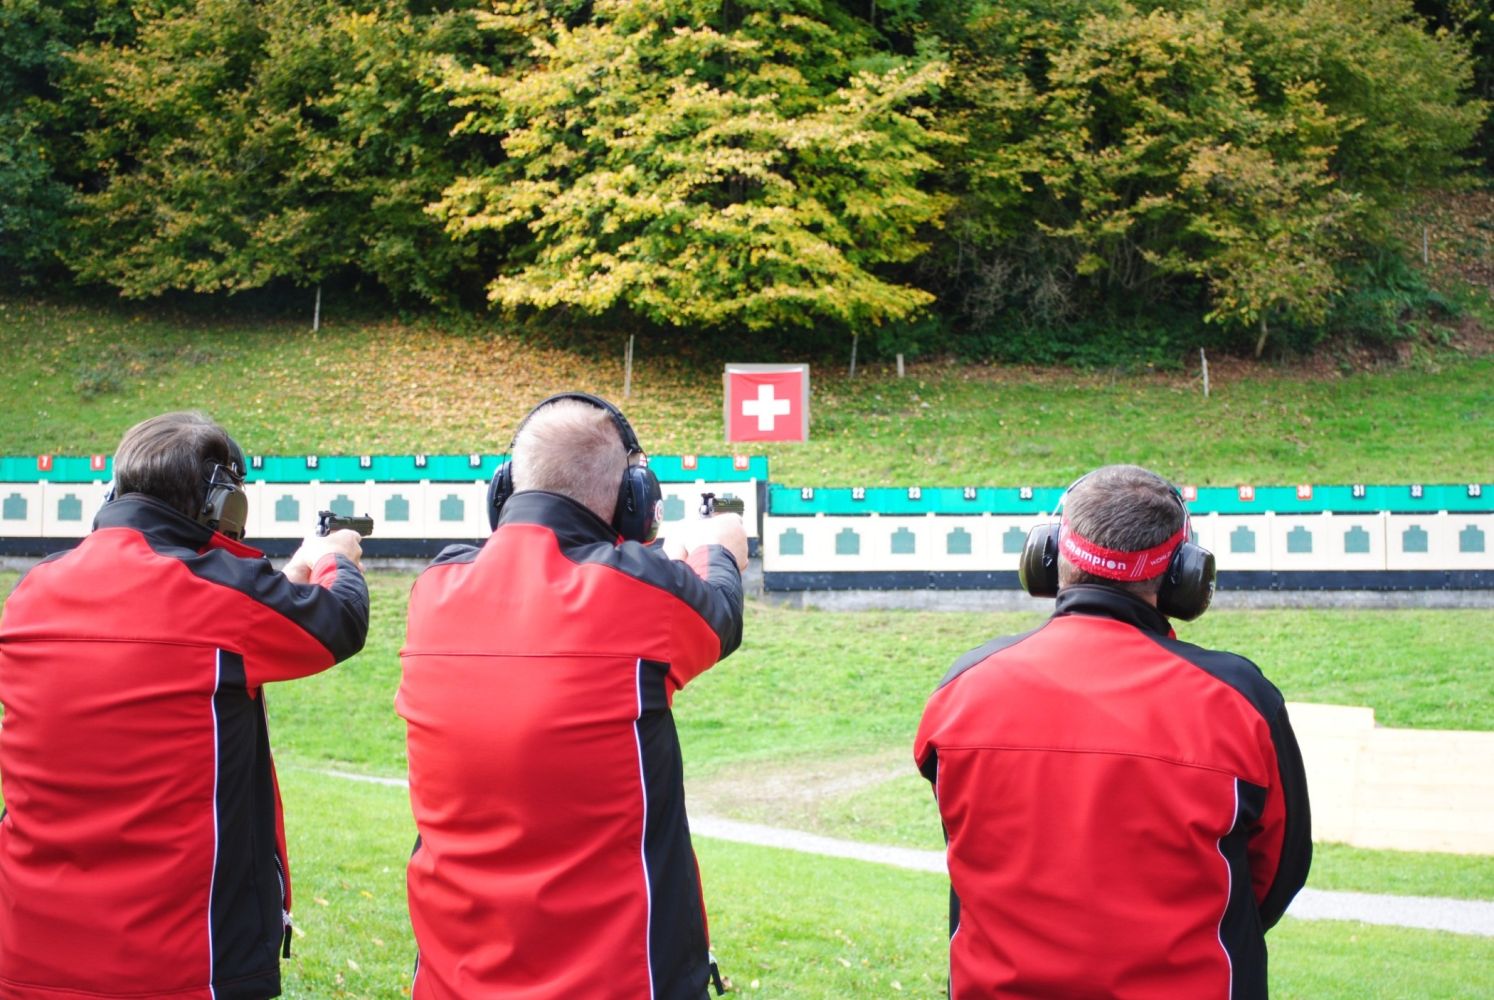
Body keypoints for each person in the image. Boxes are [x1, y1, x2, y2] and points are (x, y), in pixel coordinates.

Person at [0, 410, 369, 1000]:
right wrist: (334, 557)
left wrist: (281, 581)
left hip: (26, 954)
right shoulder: (219, 592)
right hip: (175, 966)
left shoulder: (32, 592)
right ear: (223, 505)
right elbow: (340, 620)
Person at [914, 464, 1311, 1000]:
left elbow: (970, 846)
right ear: (1185, 574)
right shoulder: (1241, 702)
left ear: (1047, 554)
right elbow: (1277, 872)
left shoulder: (962, 689)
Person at [398, 392, 747, 1000]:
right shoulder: (641, 590)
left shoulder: (436, 586)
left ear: (504, 489)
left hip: (455, 978)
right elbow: (719, 616)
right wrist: (719, 549)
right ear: (634, 500)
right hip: (618, 981)